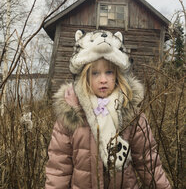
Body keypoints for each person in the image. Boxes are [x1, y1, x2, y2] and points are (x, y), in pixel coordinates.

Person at [45, 30, 171, 189]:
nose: (103, 80)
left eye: (109, 72)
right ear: (84, 76)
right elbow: (58, 168)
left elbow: (148, 161)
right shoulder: (71, 114)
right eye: (95, 73)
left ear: (117, 74)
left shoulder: (130, 112)